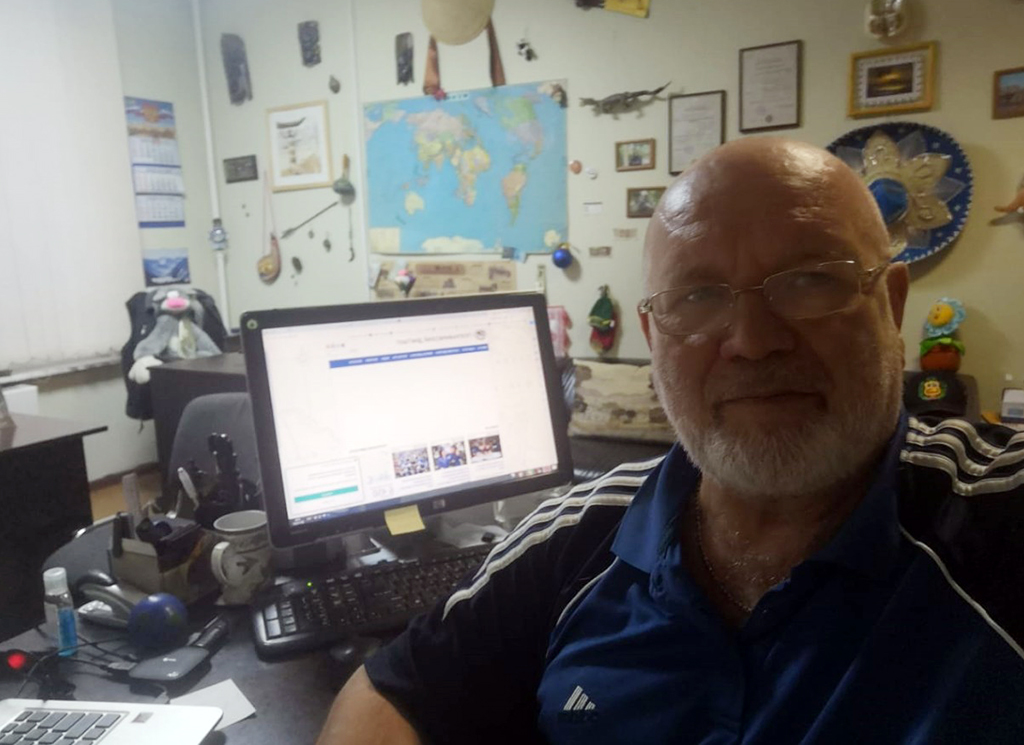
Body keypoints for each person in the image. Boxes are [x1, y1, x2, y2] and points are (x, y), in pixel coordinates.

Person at [317, 138, 1024, 744]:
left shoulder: (994, 523)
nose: (753, 341)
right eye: (698, 296)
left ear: (892, 306)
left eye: (811, 281)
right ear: (654, 339)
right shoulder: (575, 536)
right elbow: (391, 692)